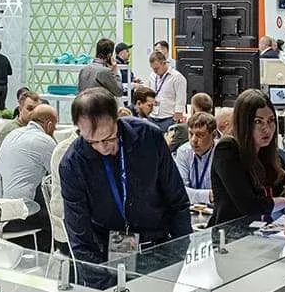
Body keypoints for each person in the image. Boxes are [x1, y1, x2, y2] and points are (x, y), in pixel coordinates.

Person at [59, 88, 191, 265]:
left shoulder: (148, 137)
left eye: (108, 138)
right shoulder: (73, 163)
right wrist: (102, 277)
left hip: (158, 247)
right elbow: (80, 239)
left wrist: (179, 252)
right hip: (105, 255)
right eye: (92, 141)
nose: (102, 147)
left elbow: (177, 200)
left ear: (117, 119)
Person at [209, 89, 285, 224]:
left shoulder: (267, 152)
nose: (267, 129)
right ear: (244, 123)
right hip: (229, 233)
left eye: (271, 120)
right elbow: (249, 205)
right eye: (258, 121)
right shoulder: (227, 149)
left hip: (261, 231)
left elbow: (282, 187)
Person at [0, 104, 58, 247]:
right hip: (13, 218)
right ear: (49, 125)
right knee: (58, 217)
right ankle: (43, 255)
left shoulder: (13, 133)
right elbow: (59, 176)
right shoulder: (45, 141)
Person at [174, 111, 217, 205]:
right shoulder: (183, 151)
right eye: (191, 134)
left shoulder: (221, 152)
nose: (194, 140)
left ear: (213, 135)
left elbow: (225, 194)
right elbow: (179, 190)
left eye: (200, 135)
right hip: (191, 207)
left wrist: (194, 195)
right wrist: (209, 195)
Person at [0, 89, 40, 160]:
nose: (33, 113)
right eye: (29, 109)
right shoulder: (12, 130)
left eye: (37, 110)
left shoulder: (35, 128)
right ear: (20, 109)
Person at [148, 48, 187, 132]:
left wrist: (177, 117)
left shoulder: (177, 77)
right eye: (153, 68)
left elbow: (181, 100)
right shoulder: (152, 76)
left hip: (168, 118)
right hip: (152, 116)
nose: (154, 71)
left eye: (156, 68)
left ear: (164, 63)